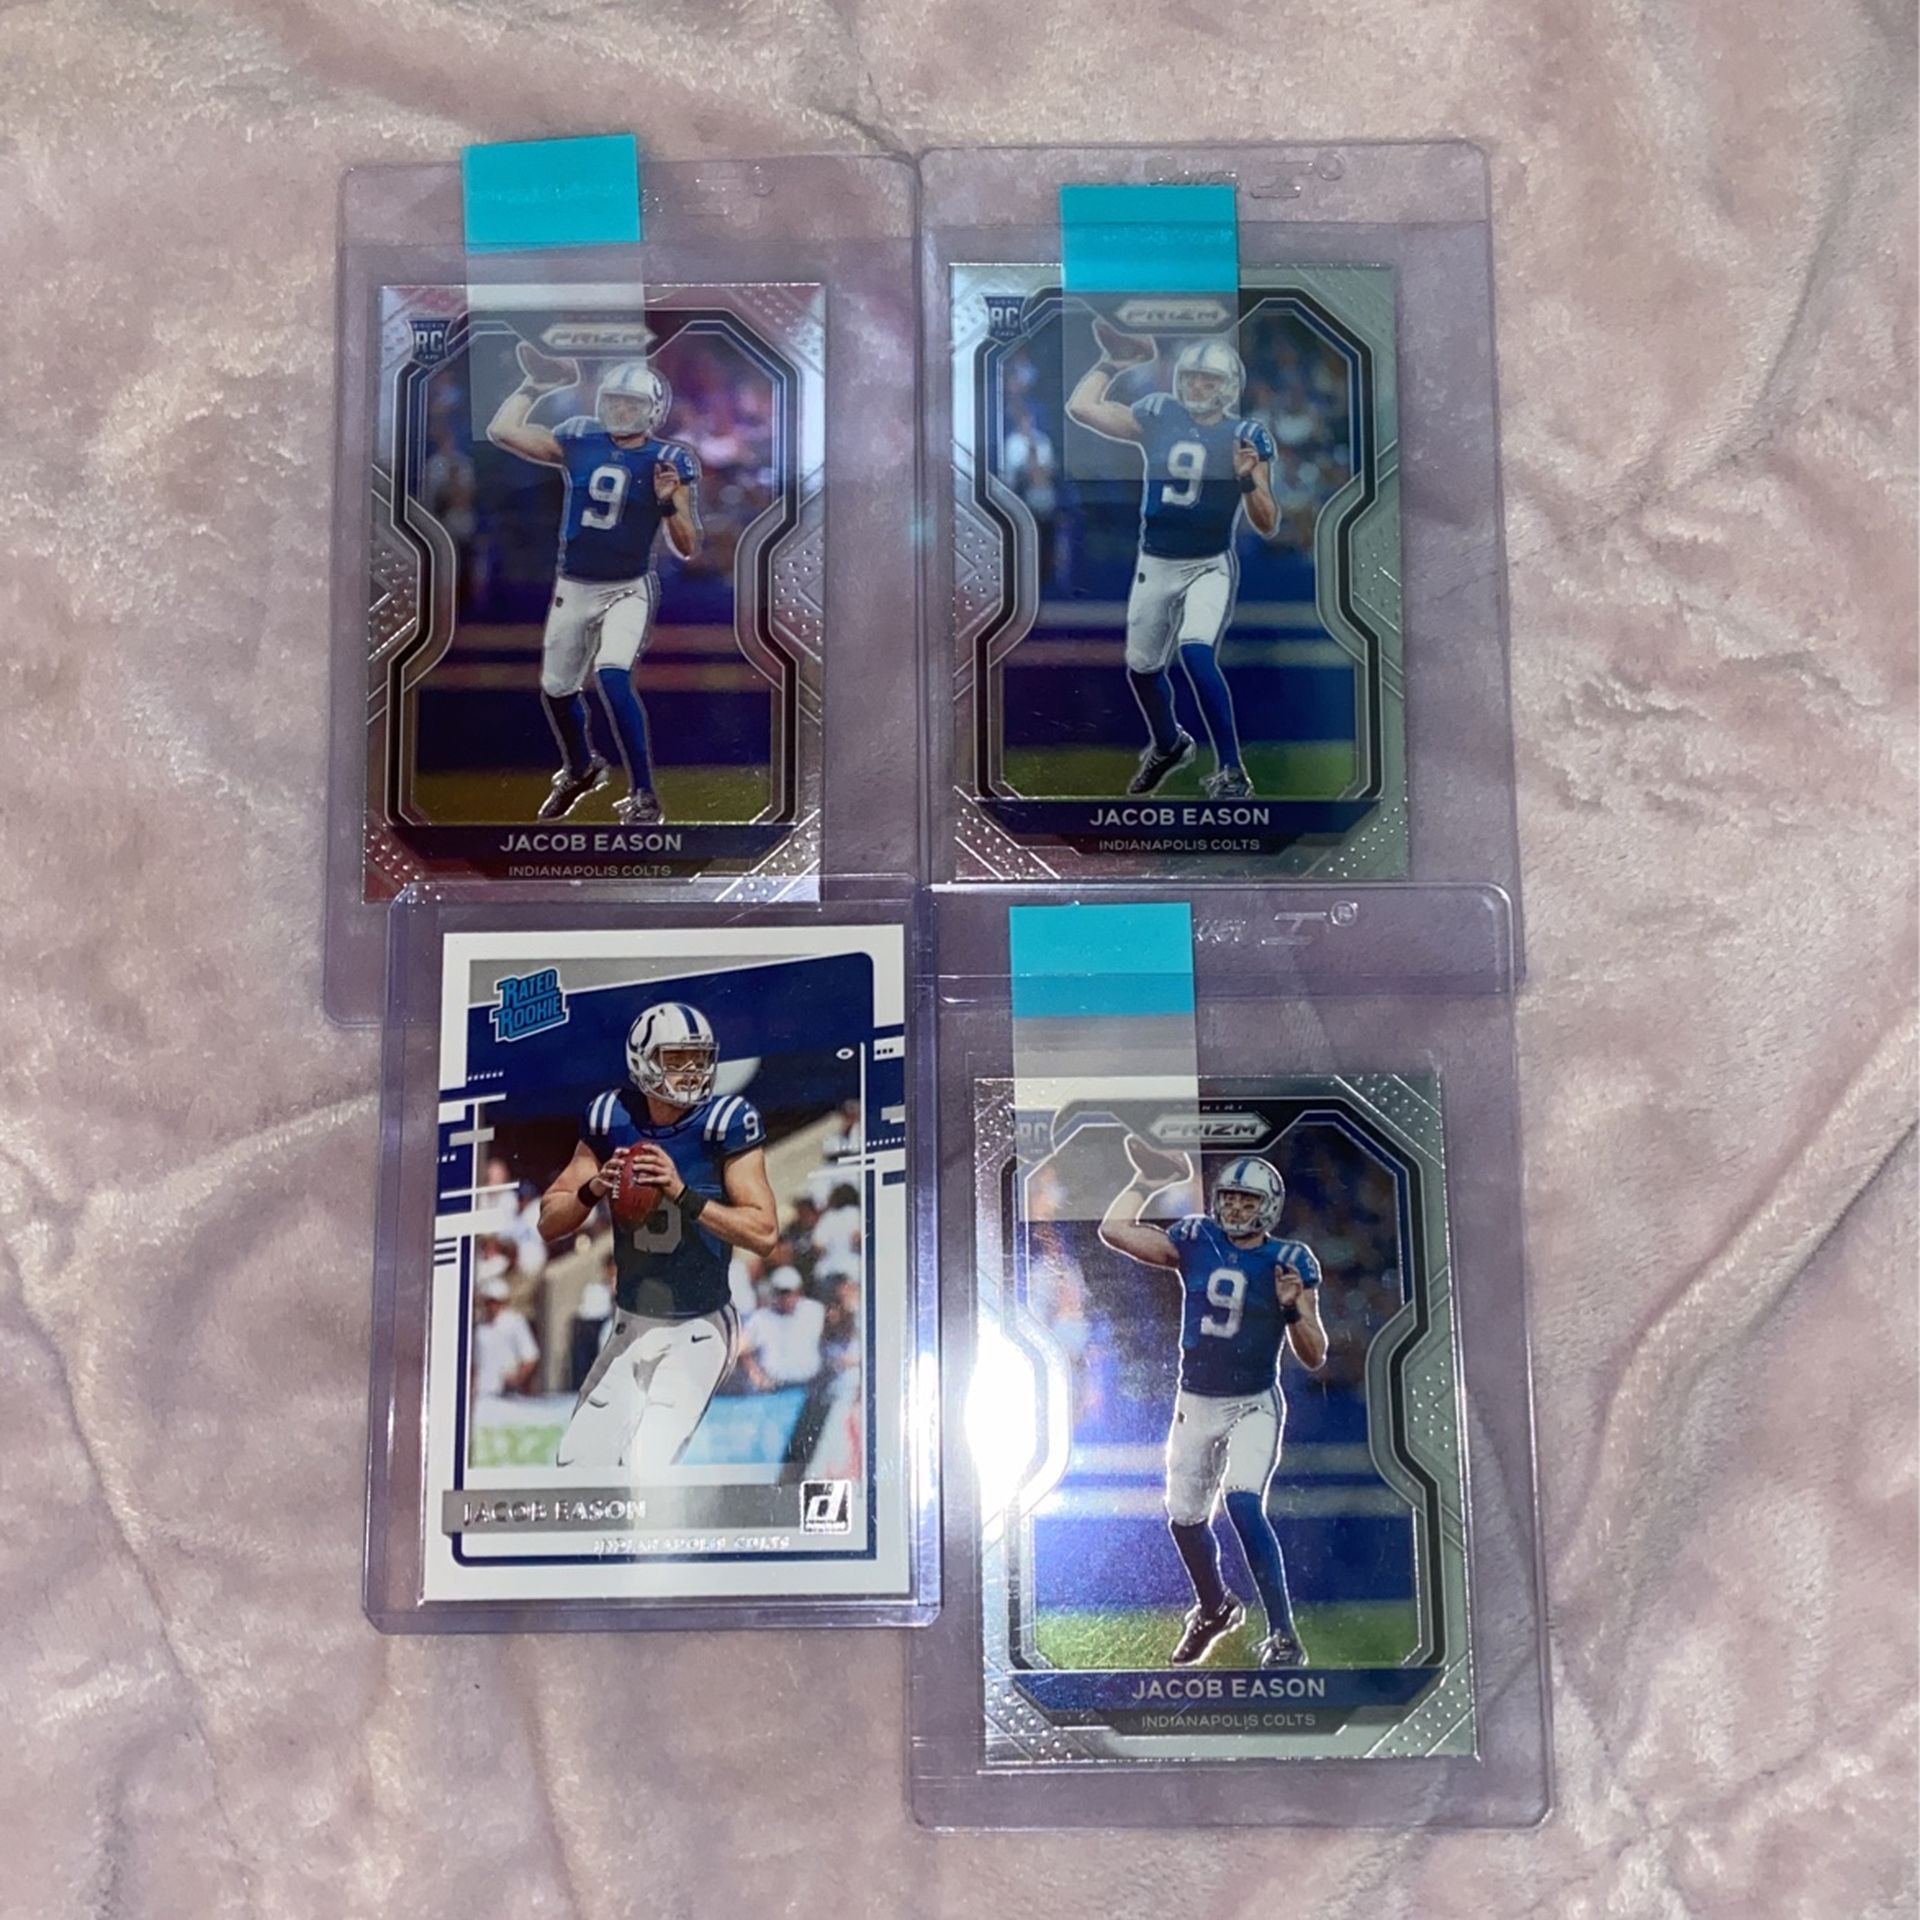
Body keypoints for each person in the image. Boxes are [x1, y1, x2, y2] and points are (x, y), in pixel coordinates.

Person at [1098, 1144, 1329, 1669]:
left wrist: (1292, 1309)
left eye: (1248, 1201)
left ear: (1269, 1206)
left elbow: (1315, 1354)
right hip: (1196, 1400)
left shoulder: (1289, 1260)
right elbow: (1114, 1230)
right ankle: (1214, 1607)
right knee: (1184, 1520)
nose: (1235, 1208)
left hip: (1252, 1403)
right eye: (1229, 1198)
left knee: (1243, 1503)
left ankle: (1283, 1635)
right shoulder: (1196, 1239)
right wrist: (1147, 1179)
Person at [538, 1001, 777, 1471]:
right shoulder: (610, 1117)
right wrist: (592, 1188)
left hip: (699, 1325)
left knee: (645, 1466)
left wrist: (682, 1194)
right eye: (677, 1059)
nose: (691, 1071)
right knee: (576, 1466)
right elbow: (549, 1222)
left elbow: (765, 1232)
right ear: (642, 1060)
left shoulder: (725, 1121)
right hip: (631, 1321)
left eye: (699, 1059)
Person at [487, 348, 702, 827]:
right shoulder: (580, 438)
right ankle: (582, 768)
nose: (620, 409)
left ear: (652, 410)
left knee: (612, 675)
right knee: (556, 689)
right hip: (575, 585)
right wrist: (534, 386)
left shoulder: (668, 459)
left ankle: (644, 795)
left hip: (627, 588)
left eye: (631, 402)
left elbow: (687, 546)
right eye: (615, 400)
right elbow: (502, 431)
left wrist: (668, 503)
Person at [1065, 330, 1280, 800]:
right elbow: (1081, 408)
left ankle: (1232, 770)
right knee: (1142, 669)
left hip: (1208, 564)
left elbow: (1266, 522)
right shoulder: (1160, 415)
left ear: (1227, 386)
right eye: (1191, 377)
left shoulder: (1244, 436)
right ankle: (1169, 745)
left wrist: (1247, 480)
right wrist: (1111, 363)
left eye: (1207, 379)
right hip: (1156, 561)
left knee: (1197, 654)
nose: (1195, 386)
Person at [740, 1269, 827, 1393]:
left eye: (790, 1293)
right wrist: (755, 1374)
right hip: (775, 1388)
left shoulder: (815, 1311)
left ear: (799, 1292)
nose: (786, 1298)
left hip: (808, 1386)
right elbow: (743, 1349)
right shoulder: (761, 1318)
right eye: (781, 1293)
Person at [472, 1269, 540, 1402]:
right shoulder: (479, 1327)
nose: (491, 1306)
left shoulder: (515, 1322)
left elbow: (530, 1357)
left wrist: (517, 1379)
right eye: (488, 1302)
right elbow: (475, 1362)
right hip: (482, 1392)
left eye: (495, 1302)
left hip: (508, 1394)